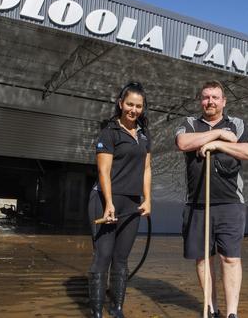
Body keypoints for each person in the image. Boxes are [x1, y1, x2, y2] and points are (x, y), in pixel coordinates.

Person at [175, 80, 248, 318]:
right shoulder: (190, 123)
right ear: (201, 100)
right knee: (203, 259)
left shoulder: (237, 124)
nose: (210, 101)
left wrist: (216, 144)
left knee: (230, 258)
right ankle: (211, 310)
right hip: (197, 204)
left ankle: (232, 314)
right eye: (206, 97)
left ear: (223, 101)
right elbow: (183, 143)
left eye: (215, 97)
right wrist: (219, 133)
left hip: (230, 204)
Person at [87, 82, 152, 318]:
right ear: (120, 104)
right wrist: (110, 203)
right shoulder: (110, 132)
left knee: (121, 259)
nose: (133, 110)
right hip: (105, 201)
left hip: (132, 205)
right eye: (130, 104)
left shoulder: (144, 134)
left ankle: (116, 309)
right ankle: (96, 312)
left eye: (139, 106)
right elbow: (103, 172)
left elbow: (146, 168)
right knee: (103, 256)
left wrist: (148, 199)